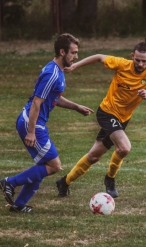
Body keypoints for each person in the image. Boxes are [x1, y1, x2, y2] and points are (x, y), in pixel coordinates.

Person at [56, 37, 146, 199]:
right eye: (137, 60)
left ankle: (65, 181)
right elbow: (98, 57)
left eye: (144, 61)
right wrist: (75, 65)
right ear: (132, 56)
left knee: (94, 156)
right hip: (107, 113)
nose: (140, 64)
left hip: (123, 119)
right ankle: (110, 179)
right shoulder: (122, 64)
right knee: (124, 147)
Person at [0, 33, 94, 213]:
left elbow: (54, 98)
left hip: (35, 122)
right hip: (33, 123)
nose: (76, 57)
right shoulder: (52, 73)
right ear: (62, 51)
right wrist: (31, 131)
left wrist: (76, 107)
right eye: (73, 53)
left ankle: (19, 205)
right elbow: (37, 102)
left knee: (44, 166)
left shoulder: (57, 71)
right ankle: (9, 182)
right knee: (54, 165)